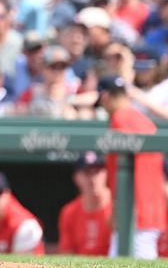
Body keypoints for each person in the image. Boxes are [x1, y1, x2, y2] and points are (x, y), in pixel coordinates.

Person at [97, 75, 167, 259]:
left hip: (135, 212)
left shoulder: (119, 120)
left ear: (105, 97)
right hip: (150, 209)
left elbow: (122, 171)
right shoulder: (144, 120)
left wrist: (119, 207)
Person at [58, 151, 113, 256]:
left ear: (106, 173)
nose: (93, 179)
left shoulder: (118, 206)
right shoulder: (69, 212)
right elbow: (66, 255)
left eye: (97, 172)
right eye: (87, 173)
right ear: (76, 178)